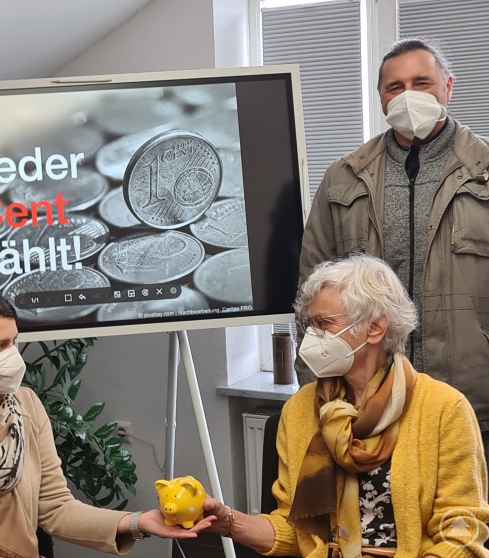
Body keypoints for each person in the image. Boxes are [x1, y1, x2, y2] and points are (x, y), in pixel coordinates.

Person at [0, 281, 214, 557]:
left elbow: (55, 508)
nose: (13, 357)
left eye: (14, 342)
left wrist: (138, 522)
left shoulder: (25, 406)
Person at [206, 254, 489, 558]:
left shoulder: (444, 408)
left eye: (324, 323)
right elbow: (295, 530)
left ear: (374, 328)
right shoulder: (301, 409)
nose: (311, 336)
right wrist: (227, 521)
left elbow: (461, 530)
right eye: (310, 324)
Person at [296, 37, 489, 466]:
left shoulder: (484, 172)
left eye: (422, 82)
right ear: (381, 97)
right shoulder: (344, 178)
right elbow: (310, 295)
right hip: (366, 405)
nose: (408, 96)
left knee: (467, 509)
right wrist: (316, 388)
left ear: (448, 87)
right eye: (395, 87)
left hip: (474, 404)